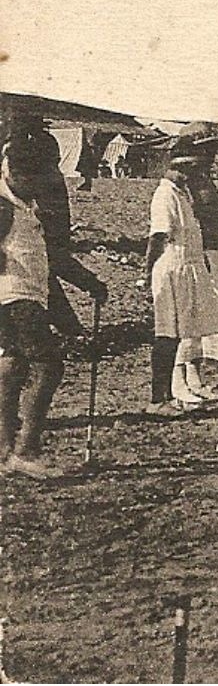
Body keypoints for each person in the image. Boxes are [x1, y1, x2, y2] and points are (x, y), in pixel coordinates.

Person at [0, 118, 106, 478]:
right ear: (12, 170)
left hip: (24, 295)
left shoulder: (22, 202)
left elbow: (53, 256)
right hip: (15, 297)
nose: (39, 190)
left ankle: (4, 448)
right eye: (33, 181)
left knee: (14, 363)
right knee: (49, 365)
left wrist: (89, 282)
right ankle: (26, 449)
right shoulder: (3, 205)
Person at [146, 136, 218, 416]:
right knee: (167, 335)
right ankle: (160, 398)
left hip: (188, 266)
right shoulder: (165, 194)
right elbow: (158, 238)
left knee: (186, 332)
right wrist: (148, 274)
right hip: (171, 266)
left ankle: (176, 390)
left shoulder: (181, 192)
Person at [176, 137, 218, 404]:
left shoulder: (202, 180)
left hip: (216, 251)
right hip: (204, 253)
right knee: (191, 319)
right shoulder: (187, 185)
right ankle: (182, 380)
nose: (212, 156)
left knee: (204, 320)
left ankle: (196, 379)